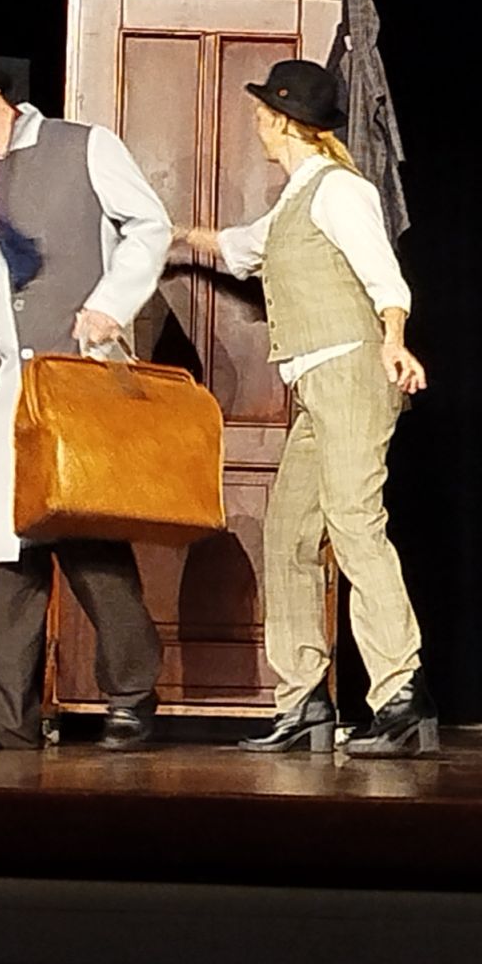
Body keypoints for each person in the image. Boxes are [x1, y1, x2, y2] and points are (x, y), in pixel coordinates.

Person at [0, 35, 171, 751]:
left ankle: (131, 697)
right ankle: (3, 718)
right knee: (2, 551)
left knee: (90, 539)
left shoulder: (84, 147)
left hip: (81, 375)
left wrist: (112, 301)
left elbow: (151, 226)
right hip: (9, 386)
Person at [175, 59, 435, 758]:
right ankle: (304, 700)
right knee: (287, 536)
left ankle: (400, 692)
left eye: (263, 115)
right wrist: (171, 237)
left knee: (354, 523)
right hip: (315, 387)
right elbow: (240, 248)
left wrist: (395, 341)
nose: (257, 125)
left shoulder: (340, 190)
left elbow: (385, 276)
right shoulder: (296, 199)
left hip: (351, 372)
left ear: (284, 122)